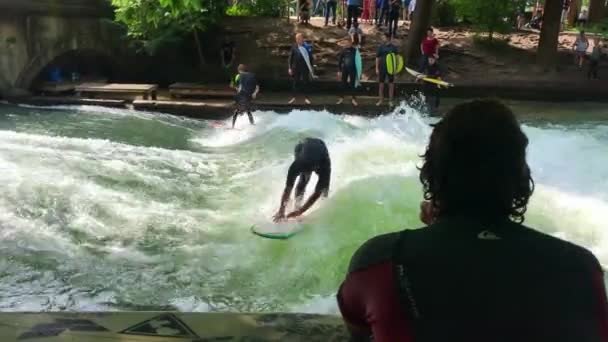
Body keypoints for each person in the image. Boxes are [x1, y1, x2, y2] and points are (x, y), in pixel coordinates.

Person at [337, 99, 608, 342]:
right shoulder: (581, 269)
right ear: (519, 179)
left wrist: (442, 226)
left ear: (432, 174)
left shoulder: (379, 261)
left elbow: (360, 331)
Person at [273, 138, 331, 222]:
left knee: (324, 188)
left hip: (321, 150)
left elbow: (317, 193)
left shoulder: (325, 166)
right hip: (301, 147)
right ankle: (297, 206)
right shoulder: (296, 165)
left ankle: (298, 210)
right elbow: (288, 188)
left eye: (310, 170)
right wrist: (281, 210)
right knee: (303, 180)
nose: (308, 172)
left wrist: (301, 211)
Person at [288, 33, 315, 105]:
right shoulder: (294, 47)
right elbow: (290, 58)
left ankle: (306, 98)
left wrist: (311, 67)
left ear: (303, 38)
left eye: (299, 38)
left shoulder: (307, 47)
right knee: (295, 82)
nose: (298, 40)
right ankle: (294, 97)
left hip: (305, 68)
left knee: (305, 82)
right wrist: (290, 68)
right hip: (296, 68)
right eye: (297, 39)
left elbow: (311, 58)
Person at [231, 64, 259, 129]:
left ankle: (232, 127)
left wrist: (236, 89)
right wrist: (254, 93)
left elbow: (240, 87)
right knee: (248, 110)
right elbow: (257, 87)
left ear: (239, 70)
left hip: (243, 95)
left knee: (236, 111)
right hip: (250, 95)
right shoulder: (253, 75)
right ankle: (252, 124)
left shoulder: (241, 75)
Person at [376, 34, 398, 106]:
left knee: (391, 84)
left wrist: (395, 69)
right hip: (382, 68)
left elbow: (396, 58)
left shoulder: (393, 47)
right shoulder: (381, 47)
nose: (382, 38)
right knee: (381, 84)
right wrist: (376, 68)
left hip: (391, 69)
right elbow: (377, 58)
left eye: (384, 37)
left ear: (387, 38)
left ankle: (390, 100)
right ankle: (380, 100)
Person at [337, 39, 359, 106]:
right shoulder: (343, 51)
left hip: (353, 69)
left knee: (353, 84)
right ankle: (341, 98)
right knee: (343, 83)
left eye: (348, 43)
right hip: (345, 69)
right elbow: (340, 61)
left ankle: (353, 99)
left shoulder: (355, 50)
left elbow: (358, 61)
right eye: (346, 43)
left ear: (351, 43)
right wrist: (339, 71)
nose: (347, 44)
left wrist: (359, 71)